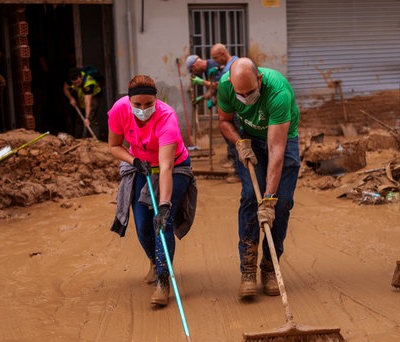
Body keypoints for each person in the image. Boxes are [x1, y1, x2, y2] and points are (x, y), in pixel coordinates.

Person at [108, 75, 197, 307]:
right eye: (137, 105)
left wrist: (165, 204)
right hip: (142, 165)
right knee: (142, 222)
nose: (143, 109)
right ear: (129, 101)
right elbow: (114, 146)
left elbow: (166, 166)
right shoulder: (119, 111)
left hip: (175, 166)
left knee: (162, 221)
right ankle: (154, 260)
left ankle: (163, 281)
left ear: (156, 99)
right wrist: (134, 160)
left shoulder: (167, 118)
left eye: (148, 104)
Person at [216, 58, 301, 299]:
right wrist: (239, 143)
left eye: (250, 92)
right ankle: (248, 270)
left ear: (260, 80)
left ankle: (269, 268)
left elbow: (276, 150)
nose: (245, 97)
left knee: (281, 204)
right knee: (251, 199)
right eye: (239, 93)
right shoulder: (225, 85)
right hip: (249, 138)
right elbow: (224, 120)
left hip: (282, 140)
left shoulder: (278, 93)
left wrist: (270, 199)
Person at [209, 43, 240, 182]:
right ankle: (237, 169)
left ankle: (239, 173)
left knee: (238, 140)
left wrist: (214, 100)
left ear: (223, 53)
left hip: (235, 110)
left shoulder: (232, 66)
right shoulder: (228, 65)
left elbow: (223, 87)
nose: (214, 61)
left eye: (216, 57)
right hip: (231, 108)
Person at [63, 67, 101, 138]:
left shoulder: (89, 83)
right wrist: (71, 99)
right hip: (81, 95)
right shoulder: (70, 80)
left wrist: (87, 117)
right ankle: (78, 138)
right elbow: (65, 88)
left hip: (93, 97)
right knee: (79, 119)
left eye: (78, 82)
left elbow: (87, 102)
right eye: (74, 83)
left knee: (90, 118)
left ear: (81, 77)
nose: (76, 84)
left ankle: (95, 140)